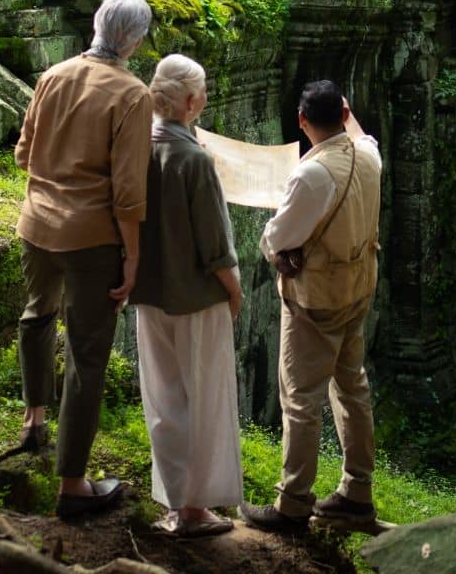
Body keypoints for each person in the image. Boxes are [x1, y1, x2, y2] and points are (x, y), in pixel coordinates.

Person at [12, 0, 154, 520]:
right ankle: (72, 483)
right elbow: (128, 193)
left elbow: (23, 153)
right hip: (92, 238)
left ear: (96, 26)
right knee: (87, 354)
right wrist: (133, 258)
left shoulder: (53, 76)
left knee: (37, 315)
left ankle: (33, 419)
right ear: (134, 42)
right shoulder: (133, 95)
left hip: (36, 224)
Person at [242, 79, 383, 535]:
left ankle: (293, 502)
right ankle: (357, 491)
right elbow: (360, 135)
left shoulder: (311, 175)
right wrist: (345, 112)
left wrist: (274, 250)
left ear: (302, 121)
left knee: (301, 397)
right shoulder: (369, 156)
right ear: (344, 114)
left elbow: (278, 237)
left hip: (318, 299)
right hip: (358, 289)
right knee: (352, 386)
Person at [129, 54, 244, 538]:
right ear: (192, 102)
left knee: (164, 403)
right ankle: (196, 508)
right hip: (197, 298)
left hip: (149, 293)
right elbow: (215, 245)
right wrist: (235, 292)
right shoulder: (194, 160)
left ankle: (176, 504)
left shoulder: (137, 147)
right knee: (206, 402)